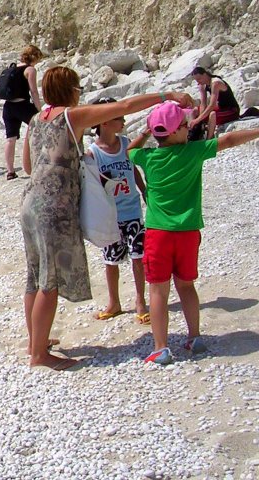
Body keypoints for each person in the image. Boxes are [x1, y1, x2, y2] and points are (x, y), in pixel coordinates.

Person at [19, 67, 192, 370]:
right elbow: (124, 107)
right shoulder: (70, 117)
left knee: (35, 273)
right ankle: (39, 356)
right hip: (54, 207)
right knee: (50, 280)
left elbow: (26, 165)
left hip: (30, 201)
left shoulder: (35, 120)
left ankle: (37, 341)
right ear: (70, 89)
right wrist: (167, 95)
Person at [129, 102, 259, 365]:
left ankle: (160, 347)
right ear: (176, 131)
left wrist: (145, 131)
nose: (189, 128)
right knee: (186, 285)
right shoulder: (194, 152)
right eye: (186, 125)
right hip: (188, 232)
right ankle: (195, 336)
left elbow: (130, 149)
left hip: (158, 234)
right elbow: (231, 139)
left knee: (158, 291)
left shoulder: (148, 157)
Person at [88, 98, 149, 324]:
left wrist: (143, 191)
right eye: (118, 118)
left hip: (132, 210)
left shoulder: (126, 144)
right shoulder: (93, 152)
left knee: (138, 256)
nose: (123, 121)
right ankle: (114, 302)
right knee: (111, 261)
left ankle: (140, 301)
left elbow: (134, 170)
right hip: (111, 216)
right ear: (103, 122)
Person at [2, 45, 44, 180]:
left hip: (8, 107)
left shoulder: (12, 68)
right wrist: (39, 110)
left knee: (10, 139)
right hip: (23, 106)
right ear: (35, 56)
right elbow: (34, 91)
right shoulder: (30, 70)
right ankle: (38, 163)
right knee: (40, 131)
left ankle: (10, 171)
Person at [189, 66, 240, 139]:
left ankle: (209, 139)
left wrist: (198, 119)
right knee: (194, 111)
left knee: (212, 114)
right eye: (196, 80)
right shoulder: (202, 85)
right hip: (220, 107)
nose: (198, 82)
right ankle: (193, 133)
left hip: (231, 110)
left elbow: (212, 105)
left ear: (205, 74)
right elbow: (203, 103)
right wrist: (200, 120)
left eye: (199, 79)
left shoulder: (215, 83)